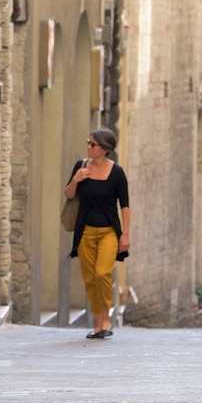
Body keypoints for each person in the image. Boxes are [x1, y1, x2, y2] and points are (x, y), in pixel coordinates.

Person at [64, 127, 130, 339]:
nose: (89, 147)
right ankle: (98, 322)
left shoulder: (117, 172)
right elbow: (68, 194)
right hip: (85, 231)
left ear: (105, 149)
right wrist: (76, 179)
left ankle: (106, 317)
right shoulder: (81, 166)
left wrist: (125, 234)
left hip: (108, 231)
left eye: (93, 144)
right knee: (90, 278)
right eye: (88, 142)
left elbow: (125, 205)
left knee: (102, 273)